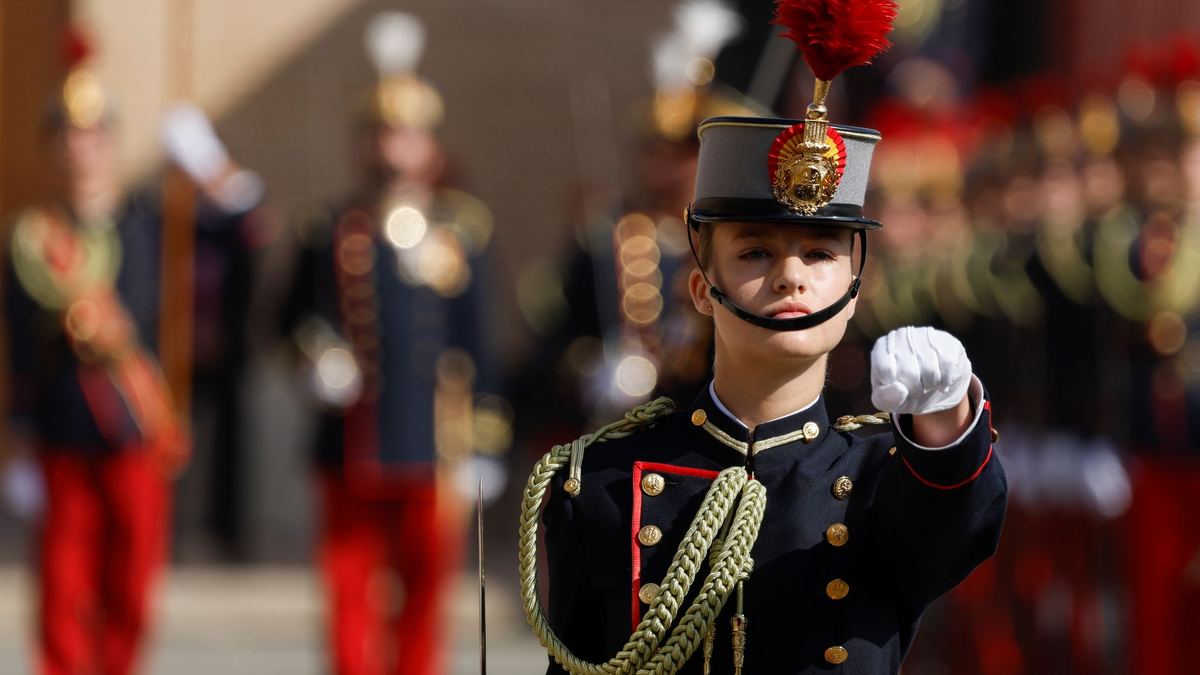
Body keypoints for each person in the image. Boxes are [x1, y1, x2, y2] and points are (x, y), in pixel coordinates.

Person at [518, 2, 1007, 673]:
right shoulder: (599, 481)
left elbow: (958, 527)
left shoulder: (879, 481)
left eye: (820, 253)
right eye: (754, 253)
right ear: (700, 287)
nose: (790, 277)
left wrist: (949, 420)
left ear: (855, 289)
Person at [2, 39, 262, 675]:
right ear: (53, 146)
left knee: (130, 586)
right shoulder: (33, 238)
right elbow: (18, 349)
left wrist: (207, 162)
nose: (80, 147)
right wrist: (16, 438)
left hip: (135, 425)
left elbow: (245, 233)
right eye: (67, 135)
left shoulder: (152, 222)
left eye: (93, 134)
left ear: (111, 143)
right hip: (62, 430)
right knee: (62, 587)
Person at [281, 12, 505, 675]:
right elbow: (290, 317)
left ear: (430, 146)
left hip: (437, 439)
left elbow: (477, 341)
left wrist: (487, 441)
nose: (391, 147)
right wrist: (316, 356)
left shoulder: (462, 231)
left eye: (406, 134)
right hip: (352, 436)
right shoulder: (327, 229)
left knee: (426, 593)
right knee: (348, 587)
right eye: (379, 132)